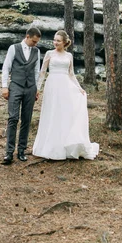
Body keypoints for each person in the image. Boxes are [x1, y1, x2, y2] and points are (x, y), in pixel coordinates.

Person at [32, 30, 99, 160]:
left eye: (58, 41)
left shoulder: (69, 56)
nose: (55, 42)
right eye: (54, 40)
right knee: (51, 113)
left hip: (65, 86)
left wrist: (79, 88)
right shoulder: (49, 54)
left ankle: (64, 146)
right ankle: (49, 146)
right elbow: (42, 72)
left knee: (63, 114)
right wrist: (37, 88)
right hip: (52, 85)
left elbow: (71, 74)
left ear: (64, 43)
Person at [1, 26, 41, 165]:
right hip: (16, 86)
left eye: (37, 42)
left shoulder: (37, 51)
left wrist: (36, 88)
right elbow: (6, 67)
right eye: (34, 41)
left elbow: (37, 71)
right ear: (27, 37)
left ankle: (22, 150)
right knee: (13, 118)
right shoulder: (14, 48)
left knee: (26, 119)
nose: (35, 44)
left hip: (30, 88)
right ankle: (9, 152)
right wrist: (4, 87)